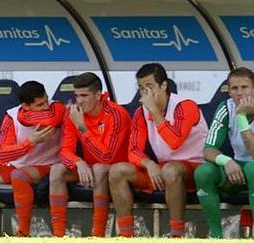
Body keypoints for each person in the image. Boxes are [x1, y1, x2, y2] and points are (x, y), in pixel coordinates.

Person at [109, 63, 207, 237]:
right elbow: (133, 150)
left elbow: (174, 141)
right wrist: (148, 163)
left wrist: (154, 111)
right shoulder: (141, 112)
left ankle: (177, 234)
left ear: (163, 86)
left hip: (195, 168)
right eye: (141, 88)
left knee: (171, 170)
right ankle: (126, 235)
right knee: (118, 171)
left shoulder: (185, 106)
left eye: (150, 87)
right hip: (163, 167)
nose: (145, 93)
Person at [0, 81, 65, 237]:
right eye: (39, 105)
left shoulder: (57, 108)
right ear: (25, 106)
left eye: (46, 100)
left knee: (19, 176)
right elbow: (2, 154)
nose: (45, 107)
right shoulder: (12, 116)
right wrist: (30, 142)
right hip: (16, 165)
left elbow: (54, 118)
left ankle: (23, 233)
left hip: (47, 164)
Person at [49, 72, 131, 237]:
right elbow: (64, 151)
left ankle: (97, 235)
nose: (79, 101)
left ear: (98, 94)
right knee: (57, 170)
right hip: (89, 167)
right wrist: (78, 162)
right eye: (77, 95)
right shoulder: (74, 113)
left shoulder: (116, 113)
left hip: (117, 170)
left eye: (84, 95)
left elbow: (107, 157)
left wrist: (83, 128)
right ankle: (58, 235)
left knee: (100, 168)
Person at [194, 67, 254, 238]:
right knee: (204, 172)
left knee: (253, 169)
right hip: (238, 169)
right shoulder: (226, 108)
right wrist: (225, 161)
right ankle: (216, 236)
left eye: (245, 87)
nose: (239, 93)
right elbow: (208, 149)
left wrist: (241, 117)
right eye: (234, 88)